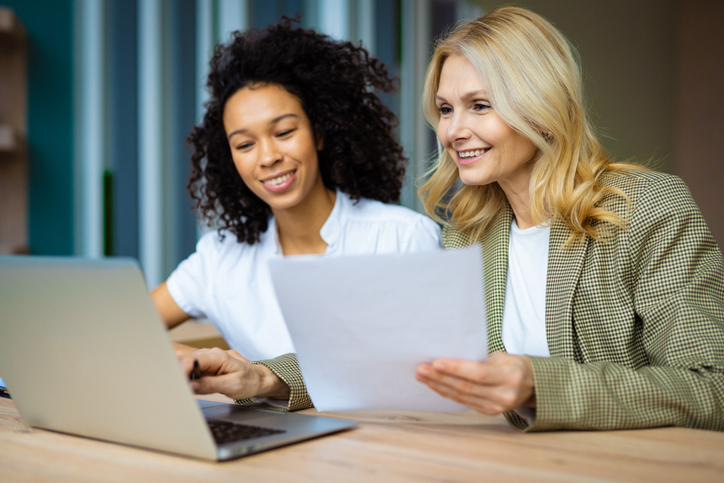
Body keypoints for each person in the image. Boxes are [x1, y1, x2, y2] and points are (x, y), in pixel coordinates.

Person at [413, 6, 724, 431]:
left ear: (539, 105)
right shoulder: (468, 234)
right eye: (446, 109)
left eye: (480, 105)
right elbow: (408, 350)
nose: (453, 131)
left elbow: (713, 386)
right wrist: (290, 379)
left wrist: (539, 386)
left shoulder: (648, 208)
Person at [154, 20, 441, 408]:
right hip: (263, 453)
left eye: (284, 132)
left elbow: (408, 372)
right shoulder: (219, 258)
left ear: (319, 133)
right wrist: (195, 361)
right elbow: (120, 326)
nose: (269, 156)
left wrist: (261, 375)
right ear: (230, 159)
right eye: (244, 144)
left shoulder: (402, 238)